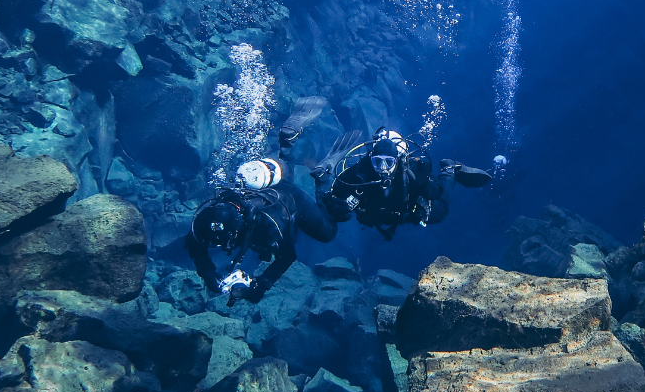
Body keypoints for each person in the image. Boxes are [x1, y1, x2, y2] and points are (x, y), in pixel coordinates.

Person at [185, 97, 360, 303]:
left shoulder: (268, 227)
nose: (219, 246)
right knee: (284, 177)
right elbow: (194, 241)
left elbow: (288, 256)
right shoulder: (209, 218)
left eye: (222, 242)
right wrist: (207, 272)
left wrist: (263, 284)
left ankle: (323, 178)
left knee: (328, 233)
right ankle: (287, 141)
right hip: (265, 187)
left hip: (292, 200)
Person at [322, 127, 490, 240]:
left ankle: (450, 170)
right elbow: (336, 190)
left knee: (441, 212)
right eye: (377, 162)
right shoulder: (361, 171)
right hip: (380, 215)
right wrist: (334, 204)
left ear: (397, 159)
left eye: (388, 162)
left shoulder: (411, 170)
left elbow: (436, 193)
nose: (382, 168)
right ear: (370, 159)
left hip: (408, 211)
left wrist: (422, 184)